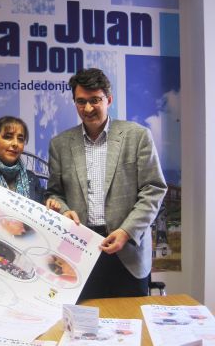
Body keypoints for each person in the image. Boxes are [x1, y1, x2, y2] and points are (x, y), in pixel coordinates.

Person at [45, 68, 167, 299]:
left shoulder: (137, 136)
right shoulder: (59, 145)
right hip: (80, 252)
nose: (88, 108)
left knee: (131, 325)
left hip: (128, 252)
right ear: (74, 102)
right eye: (81, 102)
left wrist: (127, 231)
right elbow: (54, 193)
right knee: (83, 326)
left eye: (95, 100)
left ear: (108, 99)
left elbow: (154, 189)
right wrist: (64, 210)